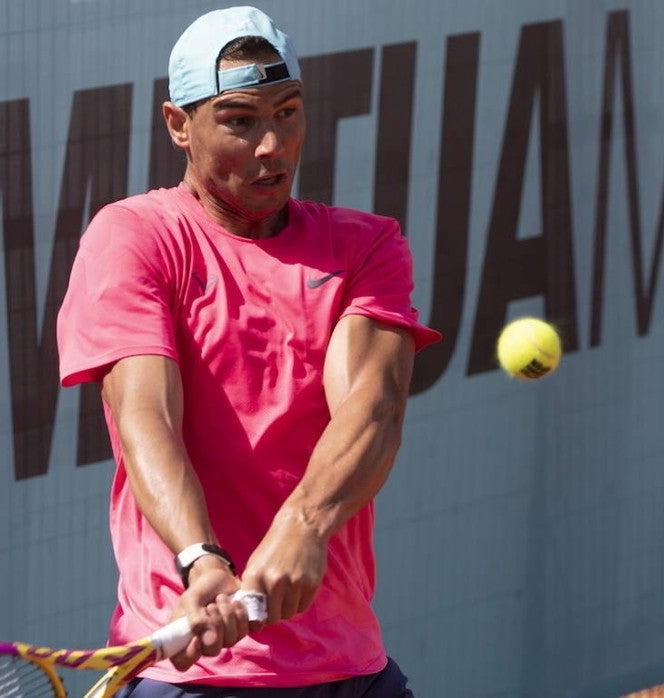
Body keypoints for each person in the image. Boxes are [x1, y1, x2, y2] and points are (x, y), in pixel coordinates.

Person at [56, 6, 440, 697]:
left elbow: (371, 409)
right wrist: (202, 562)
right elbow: (147, 418)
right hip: (190, 675)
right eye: (240, 121)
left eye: (287, 113)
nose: (273, 146)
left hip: (347, 669)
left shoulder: (365, 247)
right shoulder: (134, 238)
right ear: (180, 126)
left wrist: (304, 526)